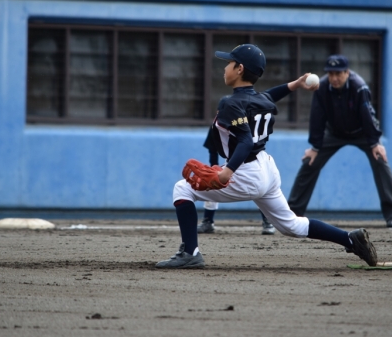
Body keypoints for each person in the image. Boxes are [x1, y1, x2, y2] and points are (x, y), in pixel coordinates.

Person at [156, 44, 378, 269]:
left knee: (182, 189)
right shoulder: (260, 100)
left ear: (240, 69)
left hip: (245, 172)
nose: (225, 68)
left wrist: (227, 172)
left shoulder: (230, 103)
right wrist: (294, 85)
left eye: (229, 63)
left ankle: (190, 253)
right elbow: (270, 95)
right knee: (291, 225)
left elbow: (244, 141)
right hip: (267, 169)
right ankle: (350, 239)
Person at [287, 54, 392, 228]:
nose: (334, 78)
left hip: (362, 133)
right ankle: (293, 214)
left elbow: (368, 116)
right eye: (331, 74)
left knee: (380, 160)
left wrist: (375, 143)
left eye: (338, 74)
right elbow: (317, 117)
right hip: (334, 133)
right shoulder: (322, 87)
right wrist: (315, 146)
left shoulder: (359, 87)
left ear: (347, 72)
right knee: (310, 162)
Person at [197, 128, 276, 235]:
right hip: (229, 165)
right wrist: (214, 170)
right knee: (211, 183)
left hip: (250, 164)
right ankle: (208, 221)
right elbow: (213, 149)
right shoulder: (217, 124)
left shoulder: (244, 125)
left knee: (259, 189)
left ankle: (267, 221)